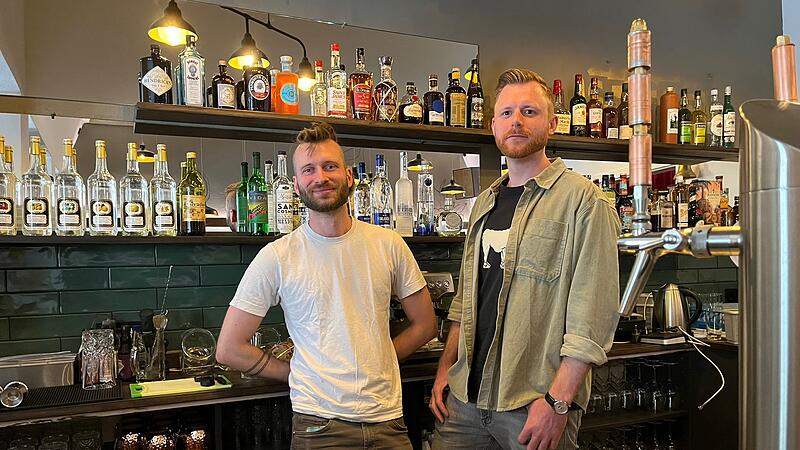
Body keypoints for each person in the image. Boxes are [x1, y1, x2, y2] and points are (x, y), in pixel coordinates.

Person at [429, 68, 621, 450]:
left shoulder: (584, 201)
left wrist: (557, 402)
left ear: (552, 124)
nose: (516, 121)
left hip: (534, 401)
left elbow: (592, 315)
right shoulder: (485, 202)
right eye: (506, 113)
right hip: (465, 400)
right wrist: (444, 372)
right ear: (494, 126)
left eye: (529, 112)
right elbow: (465, 300)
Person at [216, 122, 437, 449]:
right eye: (309, 170)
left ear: (349, 177)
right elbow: (229, 348)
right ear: (295, 184)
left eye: (330, 166)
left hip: (388, 422)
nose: (320, 177)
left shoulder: (388, 244)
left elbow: (426, 324)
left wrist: (381, 358)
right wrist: (295, 374)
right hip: (318, 426)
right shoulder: (277, 256)